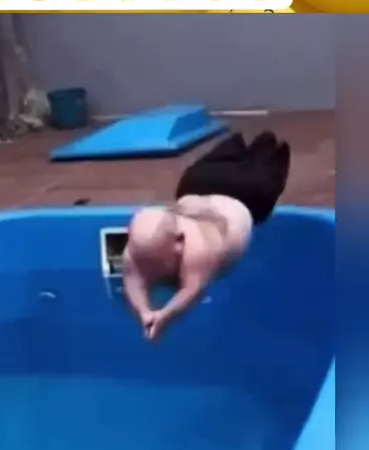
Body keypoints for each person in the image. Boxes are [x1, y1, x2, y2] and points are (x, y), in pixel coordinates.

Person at [123, 131, 290, 341]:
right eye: (145, 263)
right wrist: (144, 312)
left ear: (179, 242)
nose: (149, 270)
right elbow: (132, 279)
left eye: (156, 263)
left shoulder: (199, 251)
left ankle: (265, 143)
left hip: (247, 194)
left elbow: (192, 291)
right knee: (221, 158)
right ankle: (236, 142)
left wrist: (165, 316)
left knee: (270, 159)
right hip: (196, 184)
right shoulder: (138, 247)